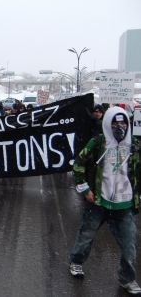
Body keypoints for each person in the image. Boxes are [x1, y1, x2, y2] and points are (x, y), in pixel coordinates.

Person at [69, 106, 141, 295]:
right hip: (99, 202)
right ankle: (76, 262)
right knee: (86, 236)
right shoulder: (98, 143)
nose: (120, 126)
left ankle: (127, 278)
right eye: (115, 122)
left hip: (123, 205)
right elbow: (78, 164)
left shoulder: (134, 145)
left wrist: (137, 196)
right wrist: (85, 189)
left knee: (130, 244)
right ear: (108, 123)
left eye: (123, 122)